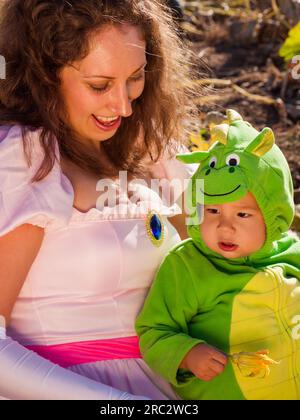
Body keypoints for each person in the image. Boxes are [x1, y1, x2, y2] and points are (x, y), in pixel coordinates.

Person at [0, 0, 200, 400]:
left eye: (136, 78)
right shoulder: (27, 162)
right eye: (99, 85)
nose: (123, 106)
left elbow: (222, 262)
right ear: (46, 75)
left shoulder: (157, 155)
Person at [136, 109, 300, 400]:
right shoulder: (187, 265)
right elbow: (154, 330)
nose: (225, 226)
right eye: (212, 211)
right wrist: (187, 354)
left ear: (273, 214)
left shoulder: (292, 252)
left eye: (242, 214)